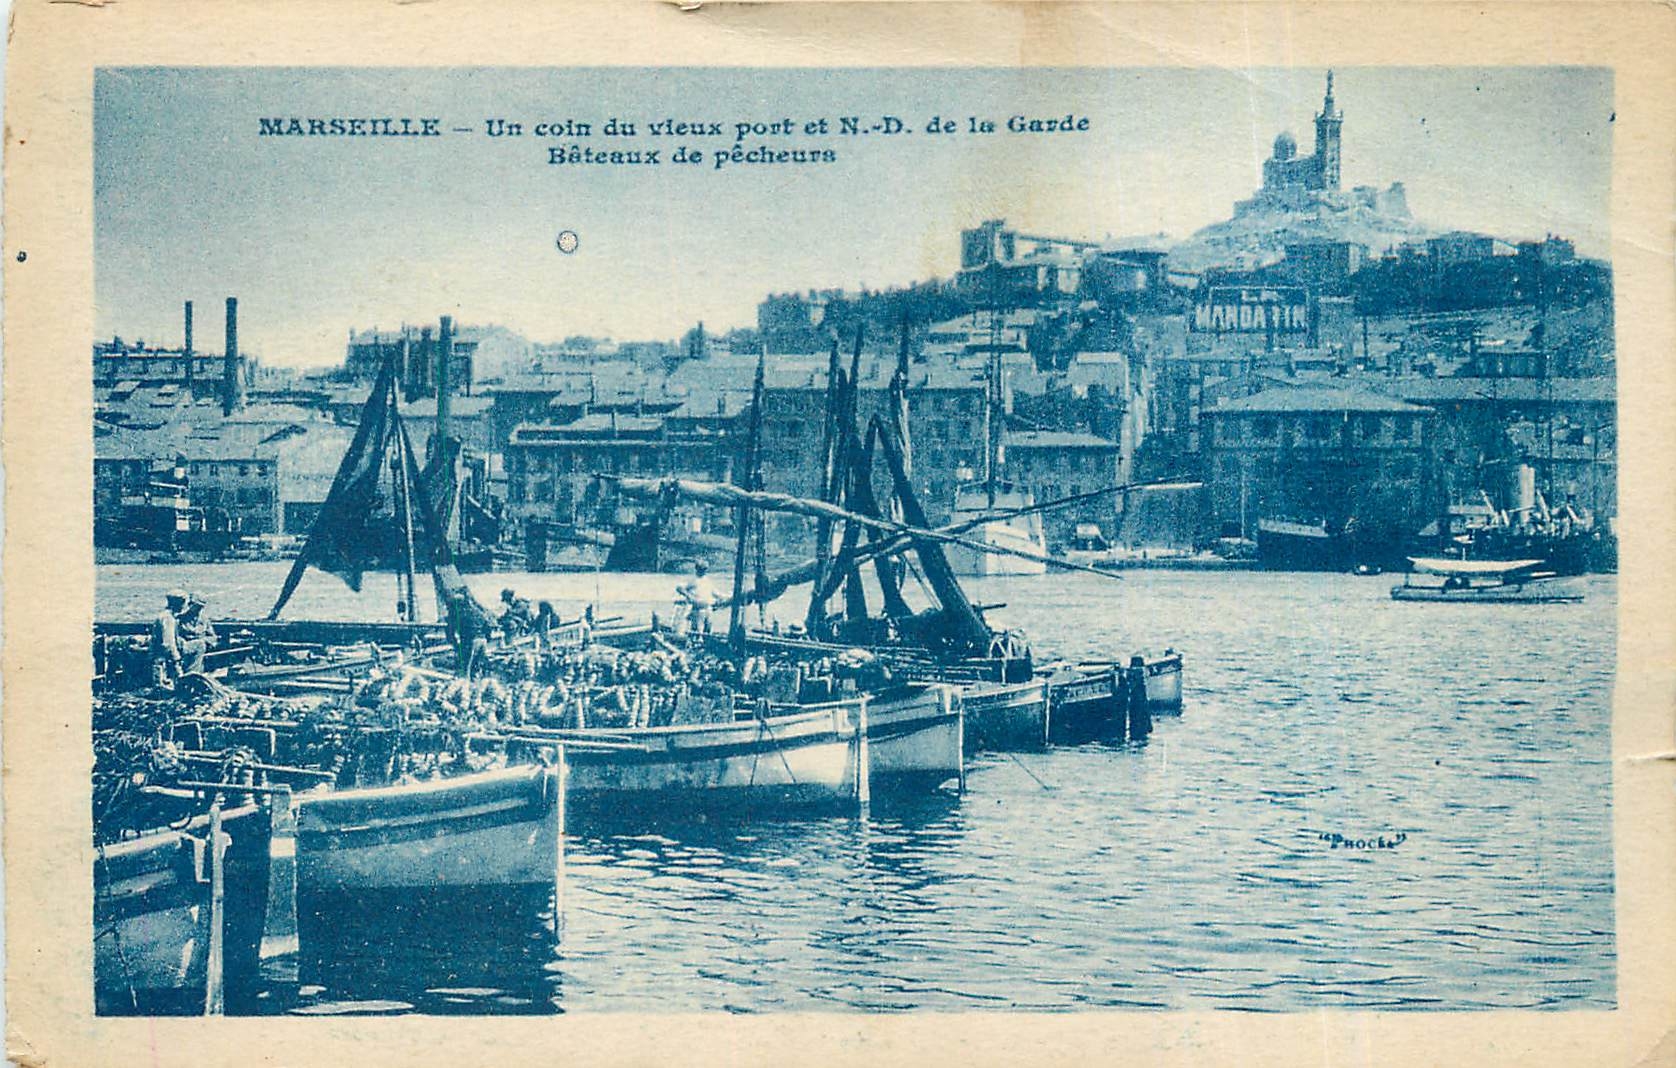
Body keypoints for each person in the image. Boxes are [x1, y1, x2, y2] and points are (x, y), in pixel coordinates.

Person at [149, 589, 189, 686]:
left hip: (163, 659)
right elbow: (168, 644)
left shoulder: (168, 616)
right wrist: (176, 658)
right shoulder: (168, 619)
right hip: (162, 660)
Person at [673, 560, 719, 636]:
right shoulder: (693, 580)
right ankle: (695, 643)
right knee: (697, 631)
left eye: (704, 569)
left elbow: (715, 593)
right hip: (698, 610)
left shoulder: (707, 581)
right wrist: (688, 596)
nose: (703, 571)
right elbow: (679, 587)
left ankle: (705, 644)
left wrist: (727, 597)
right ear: (697, 569)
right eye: (701, 569)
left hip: (708, 608)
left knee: (708, 629)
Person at [176, 592, 216, 675]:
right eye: (196, 606)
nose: (198, 609)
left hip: (199, 656)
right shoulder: (180, 619)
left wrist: (204, 641)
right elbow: (174, 637)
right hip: (184, 652)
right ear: (190, 605)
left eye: (201, 607)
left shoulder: (204, 619)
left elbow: (213, 637)